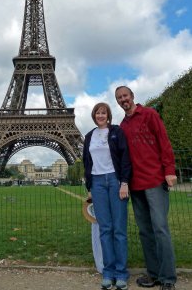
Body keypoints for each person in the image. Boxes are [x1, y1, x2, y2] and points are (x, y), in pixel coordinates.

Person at [115, 86, 177, 290]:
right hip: (136, 184)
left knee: (160, 229)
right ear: (118, 102)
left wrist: (169, 170)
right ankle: (154, 274)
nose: (123, 99)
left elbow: (164, 141)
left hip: (155, 180)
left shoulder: (150, 114)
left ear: (132, 96)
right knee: (145, 232)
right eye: (119, 98)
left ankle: (168, 278)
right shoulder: (122, 126)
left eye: (125, 96)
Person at [83, 102, 132, 290]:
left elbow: (125, 157)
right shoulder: (89, 136)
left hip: (115, 181)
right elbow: (87, 162)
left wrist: (124, 182)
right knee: (105, 229)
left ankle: (121, 273)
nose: (100, 115)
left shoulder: (117, 132)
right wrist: (90, 186)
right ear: (94, 115)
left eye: (103, 112)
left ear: (108, 115)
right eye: (97, 112)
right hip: (97, 183)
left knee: (119, 230)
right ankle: (108, 271)